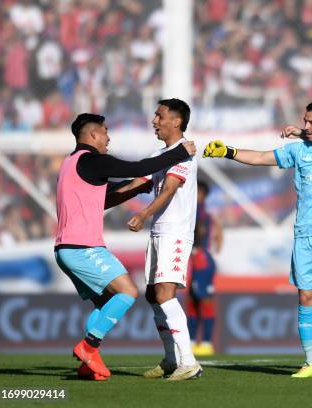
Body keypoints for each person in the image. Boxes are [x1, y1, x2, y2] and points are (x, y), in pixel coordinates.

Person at [204, 101, 312, 378]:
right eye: (304, 121)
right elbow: (259, 158)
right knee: (305, 297)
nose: (306, 126)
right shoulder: (297, 150)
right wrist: (228, 151)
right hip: (303, 235)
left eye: (311, 123)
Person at [54, 113, 196, 381]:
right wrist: (177, 153)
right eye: (105, 132)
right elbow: (138, 167)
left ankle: (87, 364)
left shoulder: (71, 164)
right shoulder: (92, 160)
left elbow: (103, 200)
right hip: (83, 247)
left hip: (65, 250)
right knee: (128, 291)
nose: (109, 138)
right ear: (93, 135)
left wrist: (136, 189)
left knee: (107, 301)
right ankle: (88, 347)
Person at [120, 98, 202, 381]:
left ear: (177, 121)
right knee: (153, 295)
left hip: (175, 232)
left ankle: (188, 361)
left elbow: (168, 190)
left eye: (160, 116)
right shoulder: (161, 154)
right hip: (158, 233)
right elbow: (136, 183)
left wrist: (142, 214)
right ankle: (170, 359)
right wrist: (101, 200)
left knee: (166, 293)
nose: (154, 121)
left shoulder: (185, 152)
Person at [187, 180, 222, 356]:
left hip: (201, 259)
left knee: (204, 300)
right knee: (193, 301)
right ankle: (193, 342)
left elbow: (200, 229)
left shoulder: (198, 210)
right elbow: (217, 231)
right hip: (198, 258)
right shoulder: (203, 212)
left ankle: (207, 343)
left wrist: (198, 248)